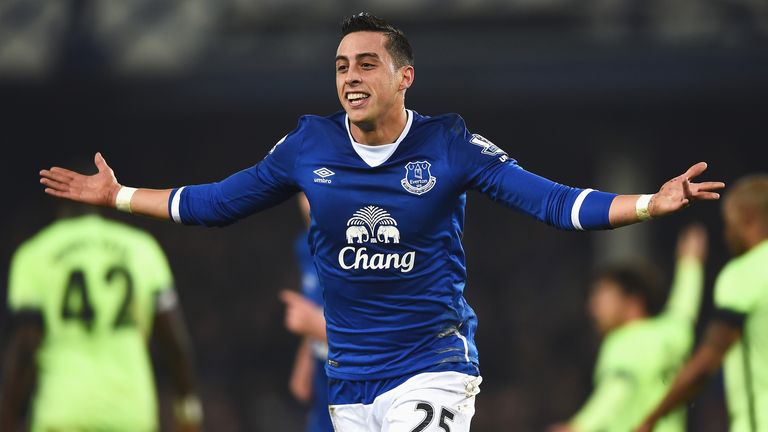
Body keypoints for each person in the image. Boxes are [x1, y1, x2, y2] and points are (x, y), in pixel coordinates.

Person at [38, 12, 724, 432]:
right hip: (351, 382)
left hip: (431, 367)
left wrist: (649, 204)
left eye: (367, 63)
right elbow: (216, 204)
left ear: (405, 78)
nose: (350, 76)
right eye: (341, 66)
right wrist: (121, 195)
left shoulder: (450, 145)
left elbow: (554, 202)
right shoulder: (309, 146)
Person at [0, 200, 203, 432]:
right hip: (130, 413)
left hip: (64, 411)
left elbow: (26, 345)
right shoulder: (142, 248)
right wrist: (187, 410)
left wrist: (8, 417)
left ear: (56, 209)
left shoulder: (35, 254)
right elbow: (173, 341)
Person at [638, 174, 768, 432]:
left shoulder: (745, 272)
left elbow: (707, 362)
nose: (727, 233)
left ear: (748, 218)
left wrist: (651, 418)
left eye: (729, 223)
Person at [548, 224, 707, 432]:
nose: (593, 307)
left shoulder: (624, 342)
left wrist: (578, 427)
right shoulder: (671, 332)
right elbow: (685, 308)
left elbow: (615, 392)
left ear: (633, 302)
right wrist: (691, 263)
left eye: (603, 297)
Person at [280, 193, 334, 432]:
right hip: (325, 391)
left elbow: (387, 333)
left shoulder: (369, 249)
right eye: (302, 190)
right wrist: (304, 358)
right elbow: (316, 304)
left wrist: (314, 325)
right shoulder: (305, 246)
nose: (306, 202)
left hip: (365, 390)